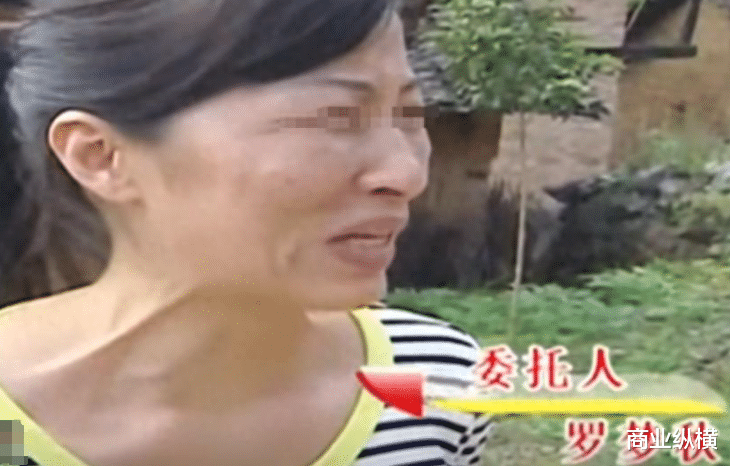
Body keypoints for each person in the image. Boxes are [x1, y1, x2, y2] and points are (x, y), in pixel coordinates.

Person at [0, 1, 493, 465]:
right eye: (335, 118)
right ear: (100, 156)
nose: (407, 174)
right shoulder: (10, 425)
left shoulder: (434, 387)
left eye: (410, 117)